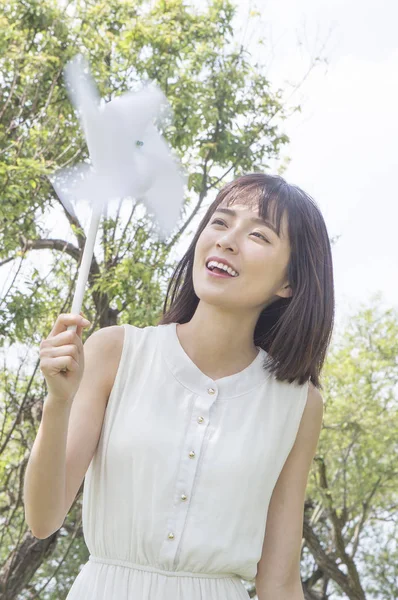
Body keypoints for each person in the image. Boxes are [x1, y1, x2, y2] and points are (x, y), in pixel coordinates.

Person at [24, 172, 334, 599]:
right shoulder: (116, 351)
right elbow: (43, 519)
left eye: (259, 235)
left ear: (288, 283)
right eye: (220, 222)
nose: (227, 240)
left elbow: (279, 580)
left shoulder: (298, 404)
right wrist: (58, 404)